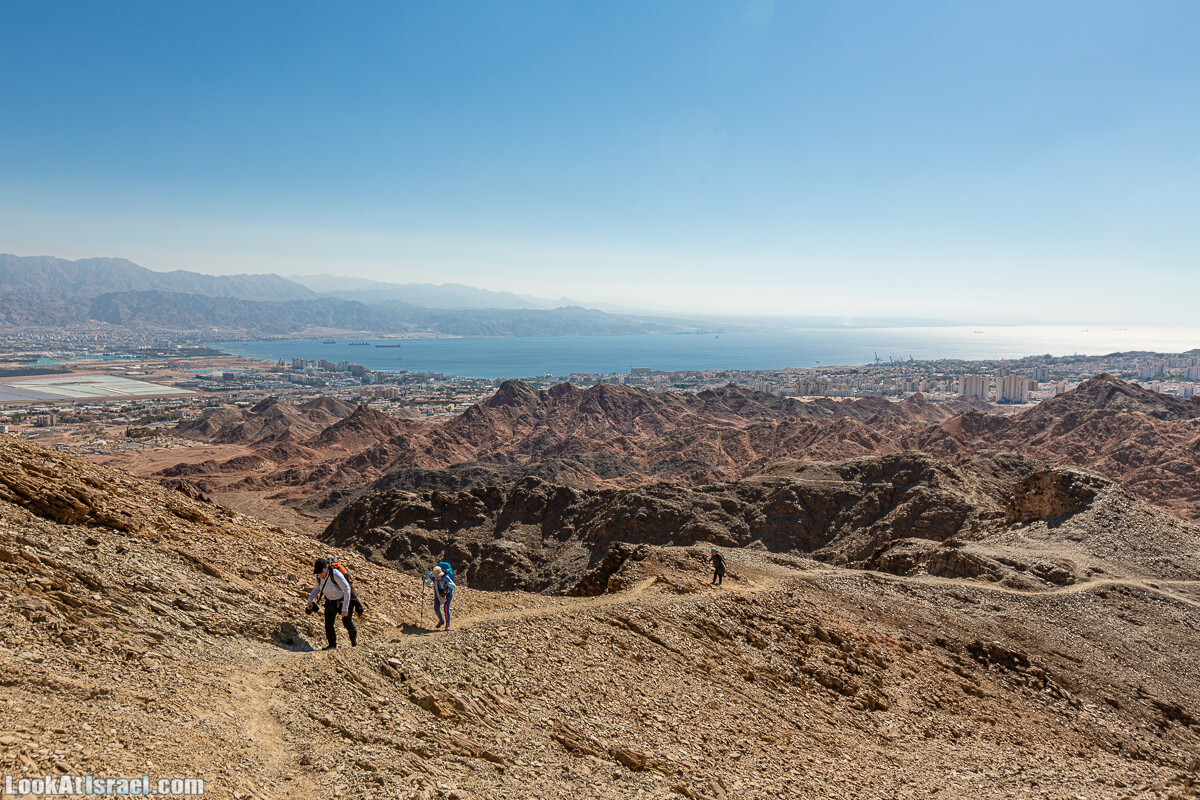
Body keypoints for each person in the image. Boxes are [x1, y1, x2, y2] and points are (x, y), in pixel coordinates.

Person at [306, 558, 357, 649]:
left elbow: (346, 589)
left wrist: (345, 608)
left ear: (327, 567)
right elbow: (317, 588)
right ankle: (332, 645)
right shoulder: (318, 576)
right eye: (318, 572)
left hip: (342, 600)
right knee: (328, 624)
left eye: (321, 572)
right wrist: (310, 600)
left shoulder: (335, 574)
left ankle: (353, 641)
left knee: (347, 623)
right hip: (330, 601)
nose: (320, 574)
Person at [427, 565, 455, 630]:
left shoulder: (446, 577)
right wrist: (424, 581)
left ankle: (447, 625)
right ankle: (441, 620)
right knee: (436, 608)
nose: (436, 577)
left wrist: (447, 583)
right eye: (435, 576)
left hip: (447, 593)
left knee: (446, 608)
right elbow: (427, 583)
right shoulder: (432, 577)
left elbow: (453, 585)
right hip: (438, 593)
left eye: (437, 576)